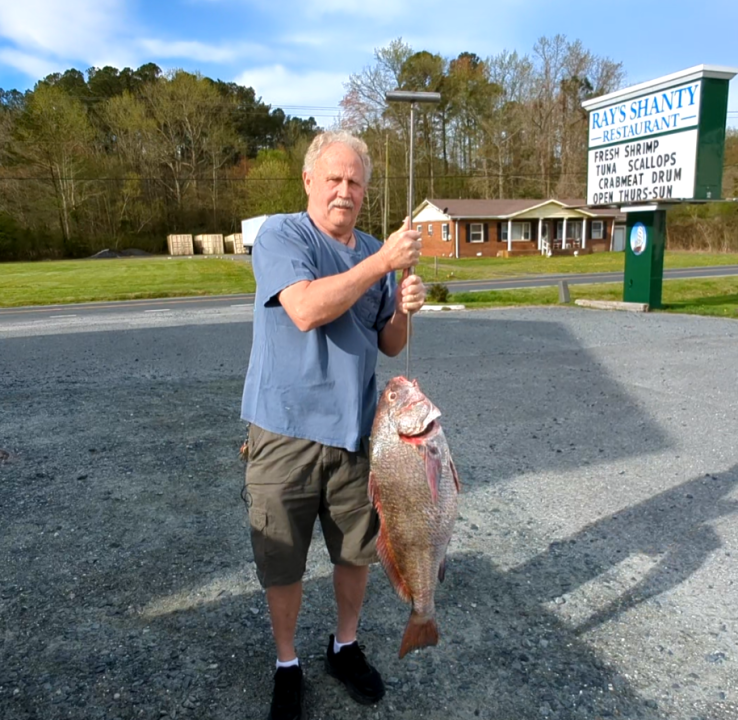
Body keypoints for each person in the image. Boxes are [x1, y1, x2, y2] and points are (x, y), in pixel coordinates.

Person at [240, 130, 426, 720]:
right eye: (334, 180)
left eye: (355, 183)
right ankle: (288, 663)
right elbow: (305, 309)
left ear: (365, 191)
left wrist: (401, 307)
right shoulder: (282, 236)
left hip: (354, 436)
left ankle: (344, 646)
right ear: (308, 182)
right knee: (283, 557)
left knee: (355, 554)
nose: (344, 192)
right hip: (283, 432)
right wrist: (382, 264)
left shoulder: (373, 248)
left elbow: (391, 345)